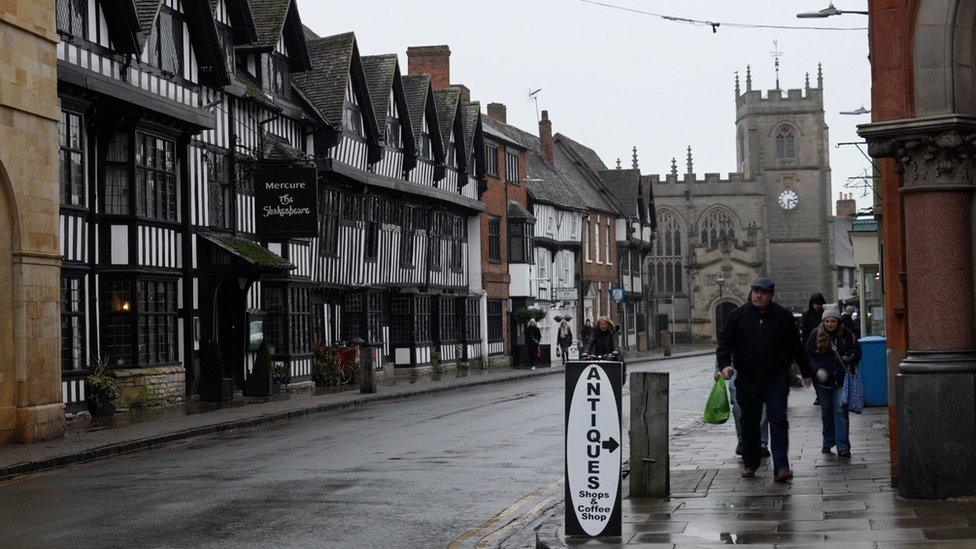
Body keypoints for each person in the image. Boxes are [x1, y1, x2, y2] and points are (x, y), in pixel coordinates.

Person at [716, 277, 813, 482]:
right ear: (751, 292)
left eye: (764, 292)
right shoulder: (737, 316)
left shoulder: (783, 317)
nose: (759, 295)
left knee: (777, 419)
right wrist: (724, 364)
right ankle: (751, 464)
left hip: (776, 378)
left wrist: (806, 372)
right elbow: (725, 343)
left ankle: (781, 467)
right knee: (749, 421)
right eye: (756, 291)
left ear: (771, 295)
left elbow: (796, 346)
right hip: (748, 378)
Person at [805, 304, 862, 457]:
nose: (829, 324)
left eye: (833, 321)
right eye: (827, 321)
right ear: (823, 321)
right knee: (826, 412)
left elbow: (857, 352)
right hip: (822, 382)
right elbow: (808, 355)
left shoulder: (847, 335)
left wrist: (851, 357)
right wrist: (817, 370)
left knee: (840, 411)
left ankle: (843, 446)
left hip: (841, 380)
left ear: (838, 321)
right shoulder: (816, 334)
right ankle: (828, 441)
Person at [715, 363, 770, 458]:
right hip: (737, 374)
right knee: (738, 409)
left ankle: (762, 444)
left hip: (761, 373)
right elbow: (724, 349)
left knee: (762, 408)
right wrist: (719, 369)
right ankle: (742, 441)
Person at [801, 293, 827, 406]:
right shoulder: (807, 315)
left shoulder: (825, 315)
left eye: (818, 304)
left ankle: (822, 394)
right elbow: (805, 333)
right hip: (811, 348)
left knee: (824, 371)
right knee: (814, 372)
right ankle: (819, 395)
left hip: (824, 347)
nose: (816, 306)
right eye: (814, 304)